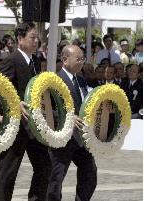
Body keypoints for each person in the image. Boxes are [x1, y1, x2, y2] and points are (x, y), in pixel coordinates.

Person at [0, 22, 51, 201]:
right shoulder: (10, 60)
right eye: (32, 38)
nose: (36, 41)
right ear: (20, 39)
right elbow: (0, 90)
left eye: (37, 38)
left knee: (45, 167)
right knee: (7, 173)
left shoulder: (35, 61)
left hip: (34, 126)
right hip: (16, 126)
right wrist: (14, 103)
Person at [47, 45, 97, 201]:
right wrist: (68, 117)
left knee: (90, 173)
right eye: (78, 58)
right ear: (64, 59)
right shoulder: (54, 80)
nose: (81, 62)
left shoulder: (81, 80)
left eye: (83, 59)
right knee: (55, 181)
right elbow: (47, 110)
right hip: (62, 138)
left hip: (81, 139)